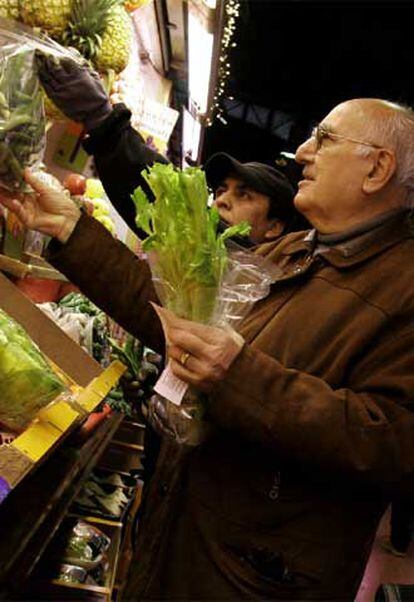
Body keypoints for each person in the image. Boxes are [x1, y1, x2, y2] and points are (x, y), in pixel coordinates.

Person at [2, 96, 414, 601]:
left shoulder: (404, 288)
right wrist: (71, 228)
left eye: (324, 139)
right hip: (189, 532)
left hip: (255, 576)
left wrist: (239, 376)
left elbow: (395, 443)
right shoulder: (295, 251)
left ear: (378, 168)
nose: (302, 152)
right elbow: (181, 318)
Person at [34, 53, 308, 245]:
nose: (222, 200)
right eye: (222, 190)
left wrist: (104, 120)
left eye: (244, 194)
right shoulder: (196, 266)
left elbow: (170, 205)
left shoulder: (250, 290)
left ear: (274, 227)